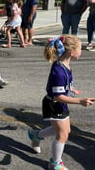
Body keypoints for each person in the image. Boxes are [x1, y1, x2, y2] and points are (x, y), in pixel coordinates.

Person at [28, 35, 95, 170]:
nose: (81, 51)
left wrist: (71, 90)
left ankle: (36, 135)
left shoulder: (64, 64)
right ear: (71, 52)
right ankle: (55, 163)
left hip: (60, 103)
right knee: (62, 134)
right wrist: (79, 101)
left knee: (65, 130)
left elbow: (62, 87)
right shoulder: (59, 71)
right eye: (80, 48)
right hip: (54, 104)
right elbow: (58, 96)